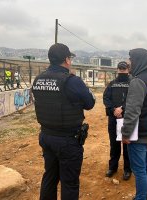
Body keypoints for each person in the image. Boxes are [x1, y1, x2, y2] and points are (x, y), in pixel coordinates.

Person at [32, 43, 95, 200]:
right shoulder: (72, 81)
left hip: (46, 136)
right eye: (70, 58)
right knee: (69, 183)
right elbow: (90, 103)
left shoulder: (38, 79)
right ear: (67, 59)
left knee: (50, 177)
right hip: (67, 140)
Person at [121, 48, 147, 200]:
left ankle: (141, 197)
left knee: (139, 170)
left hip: (139, 135)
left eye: (131, 59)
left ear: (138, 61)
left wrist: (126, 134)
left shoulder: (138, 81)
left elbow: (132, 112)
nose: (129, 62)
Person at [103, 61, 132, 180]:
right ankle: (113, 167)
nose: (122, 70)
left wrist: (122, 109)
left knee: (127, 146)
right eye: (120, 68)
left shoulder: (132, 83)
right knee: (114, 145)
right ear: (117, 69)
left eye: (123, 68)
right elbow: (106, 97)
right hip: (114, 119)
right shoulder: (112, 84)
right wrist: (114, 109)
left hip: (127, 119)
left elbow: (133, 98)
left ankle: (127, 169)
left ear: (128, 69)